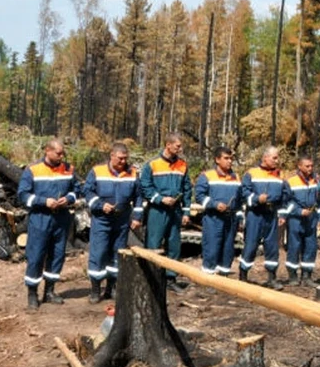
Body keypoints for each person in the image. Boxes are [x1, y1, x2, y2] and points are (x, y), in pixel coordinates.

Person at [17, 138, 80, 310]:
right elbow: (23, 195)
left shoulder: (68, 169)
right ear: (47, 150)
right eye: (58, 153)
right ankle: (32, 294)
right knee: (36, 256)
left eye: (63, 153)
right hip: (40, 218)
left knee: (57, 255)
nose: (61, 157)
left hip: (61, 218)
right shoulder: (33, 170)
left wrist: (67, 199)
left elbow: (77, 190)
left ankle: (50, 291)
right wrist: (43, 201)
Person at [84, 142, 143, 303]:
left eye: (125, 159)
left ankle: (113, 287)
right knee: (99, 253)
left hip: (122, 221)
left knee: (118, 254)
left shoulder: (133, 173)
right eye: (120, 158)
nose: (123, 162)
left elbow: (138, 196)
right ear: (112, 156)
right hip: (102, 220)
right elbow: (88, 192)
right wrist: (100, 204)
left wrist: (137, 217)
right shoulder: (97, 171)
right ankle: (96, 290)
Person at [139, 132, 192, 293]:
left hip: (175, 210)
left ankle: (170, 279)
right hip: (157, 210)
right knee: (153, 244)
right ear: (168, 145)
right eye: (177, 146)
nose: (180, 148)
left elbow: (187, 189)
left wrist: (186, 211)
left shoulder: (182, 165)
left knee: (174, 245)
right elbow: (145, 186)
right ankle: (151, 279)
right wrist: (159, 199)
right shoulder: (152, 165)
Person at [239, 145, 286, 289]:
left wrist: (282, 213)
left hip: (271, 215)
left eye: (277, 158)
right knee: (251, 245)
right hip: (255, 215)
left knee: (272, 247)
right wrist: (256, 199)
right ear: (265, 158)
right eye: (274, 158)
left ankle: (272, 278)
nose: (277, 161)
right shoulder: (251, 174)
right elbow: (243, 194)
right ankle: (243, 276)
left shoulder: (279, 175)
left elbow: (285, 197)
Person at [195, 146, 243, 276]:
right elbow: (199, 196)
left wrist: (239, 217)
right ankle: (208, 277)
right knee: (211, 247)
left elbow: (240, 200)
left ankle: (224, 276)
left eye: (231, 158)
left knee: (228, 248)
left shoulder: (236, 177)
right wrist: (214, 204)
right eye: (226, 158)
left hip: (230, 220)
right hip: (213, 219)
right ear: (217, 160)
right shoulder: (207, 176)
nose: (230, 161)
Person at [282, 155, 320, 287]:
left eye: (311, 166)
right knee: (294, 246)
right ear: (299, 166)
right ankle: (293, 275)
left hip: (311, 218)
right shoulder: (291, 182)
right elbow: (286, 202)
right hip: (296, 219)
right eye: (307, 166)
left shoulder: (316, 181)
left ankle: (307, 275)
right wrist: (299, 211)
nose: (310, 169)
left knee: (311, 247)